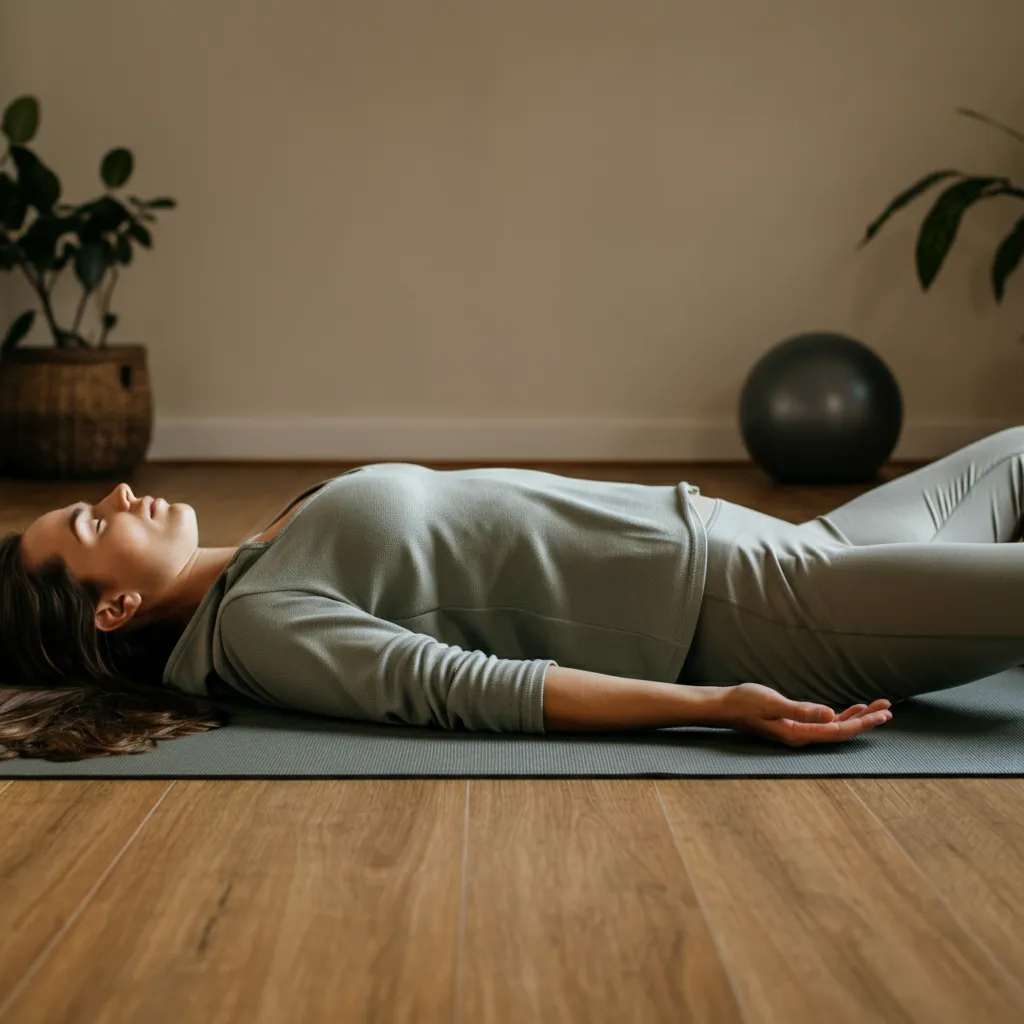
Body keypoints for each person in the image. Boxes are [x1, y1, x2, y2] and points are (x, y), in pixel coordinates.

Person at [7, 424, 1023, 762]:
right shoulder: (262, 628)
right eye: (97, 525)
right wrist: (718, 705)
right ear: (111, 611)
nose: (121, 494)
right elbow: (481, 687)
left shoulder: (261, 554)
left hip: (792, 543)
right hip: (777, 611)